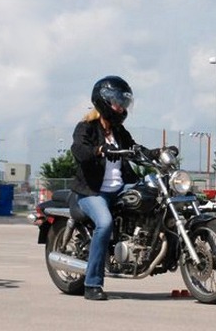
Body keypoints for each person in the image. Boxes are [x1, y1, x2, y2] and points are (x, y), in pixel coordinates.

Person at [70, 75, 139, 301]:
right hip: (91, 192)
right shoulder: (86, 128)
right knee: (105, 223)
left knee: (149, 194)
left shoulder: (119, 132)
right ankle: (92, 283)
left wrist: (156, 153)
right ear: (104, 101)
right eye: (117, 101)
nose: (120, 107)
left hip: (119, 188)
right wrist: (99, 150)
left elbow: (134, 148)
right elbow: (79, 151)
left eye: (123, 102)